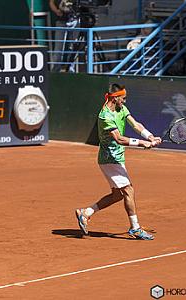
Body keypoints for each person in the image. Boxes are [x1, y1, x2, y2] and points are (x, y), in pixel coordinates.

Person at [75, 83, 161, 240]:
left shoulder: (121, 108)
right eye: (123, 98)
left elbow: (135, 124)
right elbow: (119, 139)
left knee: (117, 195)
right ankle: (135, 228)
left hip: (117, 158)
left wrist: (149, 136)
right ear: (115, 98)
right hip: (109, 159)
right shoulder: (105, 116)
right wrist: (142, 144)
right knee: (128, 190)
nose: (125, 101)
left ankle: (85, 213)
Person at [49, 0, 74, 72]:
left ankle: (70, 69)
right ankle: (56, 70)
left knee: (72, 46)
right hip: (61, 21)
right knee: (58, 47)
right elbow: (51, 2)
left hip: (74, 20)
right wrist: (57, 11)